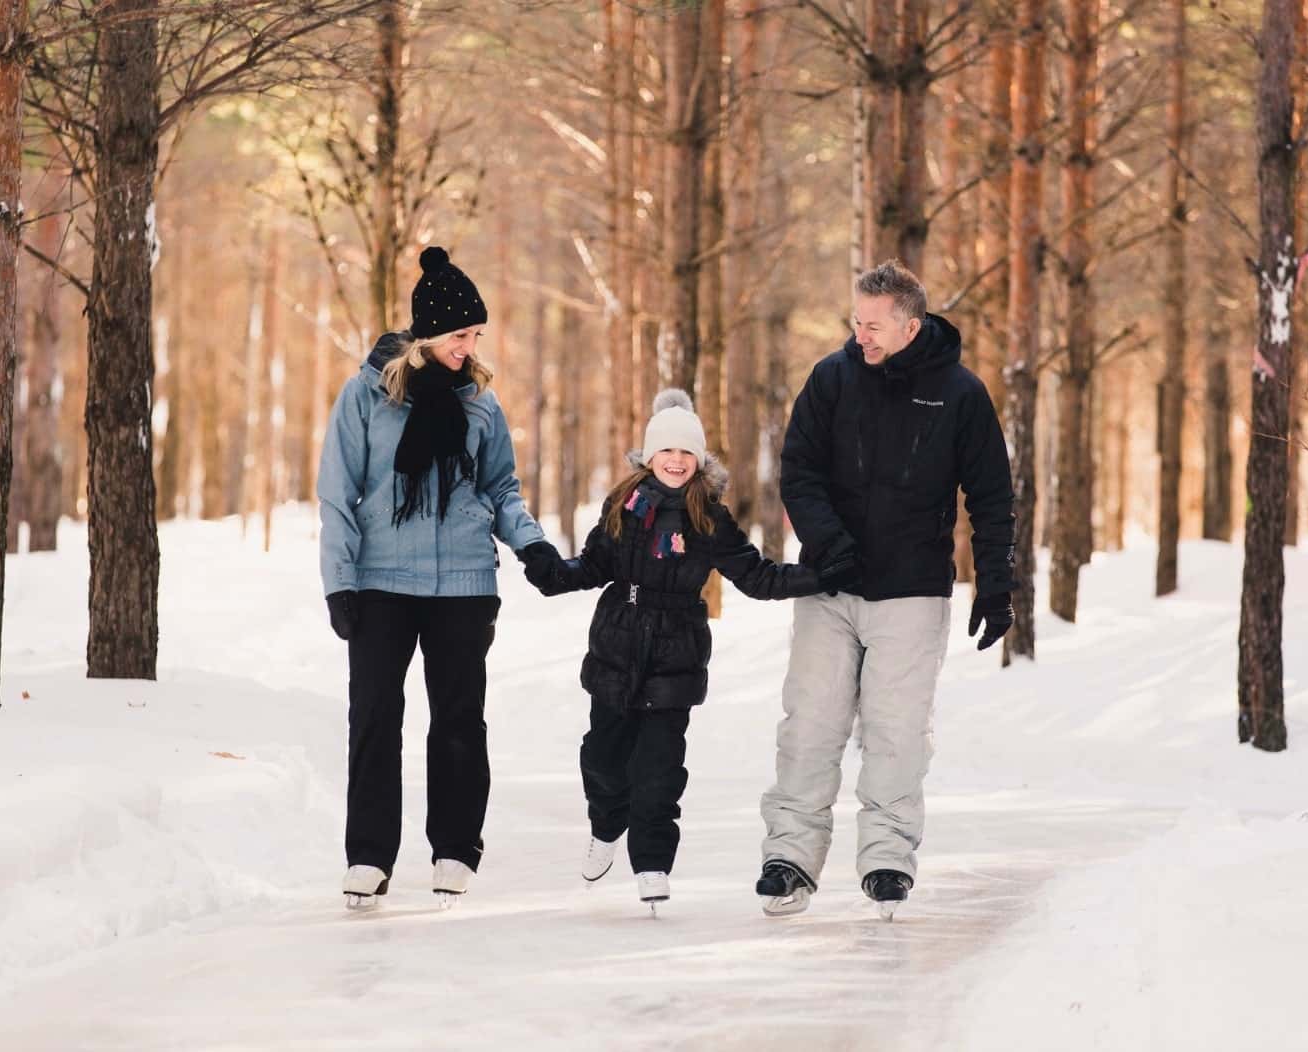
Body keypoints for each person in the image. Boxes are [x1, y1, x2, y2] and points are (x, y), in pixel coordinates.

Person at [756, 259, 1017, 920]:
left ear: (910, 324)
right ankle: (789, 856)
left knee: (896, 731)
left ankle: (887, 860)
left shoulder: (960, 393)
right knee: (810, 723)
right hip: (830, 587)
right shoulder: (832, 379)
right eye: (856, 322)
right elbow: (798, 470)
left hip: (911, 590)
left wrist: (995, 584)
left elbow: (991, 498)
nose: (860, 335)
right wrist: (830, 545)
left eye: (873, 325)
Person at [317, 246, 562, 910]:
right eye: (461, 335)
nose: (470, 346)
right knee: (374, 717)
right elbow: (337, 493)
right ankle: (369, 857)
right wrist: (339, 582)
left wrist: (533, 548)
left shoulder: (479, 401)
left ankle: (455, 849)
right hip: (381, 581)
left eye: (476, 335)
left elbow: (503, 490)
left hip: (463, 582)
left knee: (458, 720)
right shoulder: (366, 394)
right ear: (427, 334)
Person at [534, 390, 830, 912]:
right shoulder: (623, 507)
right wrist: (555, 575)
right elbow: (594, 564)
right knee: (601, 759)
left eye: (686, 453)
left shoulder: (709, 518)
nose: (676, 461)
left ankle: (652, 863)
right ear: (650, 458)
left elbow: (757, 576)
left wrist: (819, 577)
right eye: (666, 452)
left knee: (660, 770)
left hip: (675, 655)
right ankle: (606, 825)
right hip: (616, 649)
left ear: (698, 461)